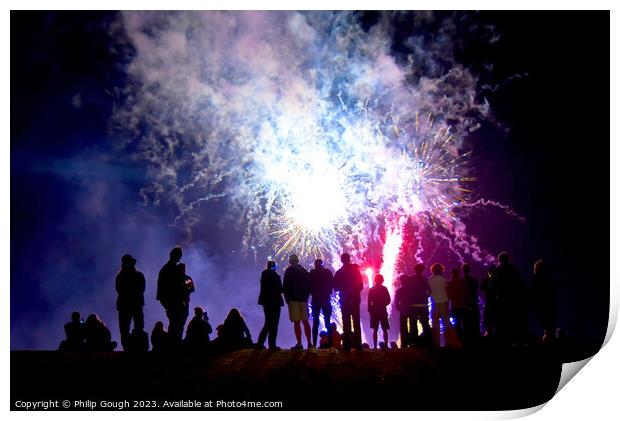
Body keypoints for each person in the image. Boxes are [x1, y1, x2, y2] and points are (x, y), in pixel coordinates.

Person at [156, 247, 194, 350]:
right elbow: (180, 287)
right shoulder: (172, 270)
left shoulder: (167, 269)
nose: (180, 258)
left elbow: (161, 290)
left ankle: (173, 346)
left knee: (176, 324)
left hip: (175, 302)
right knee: (177, 325)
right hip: (176, 302)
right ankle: (174, 346)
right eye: (179, 255)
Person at [491, 252, 528, 345]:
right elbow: (521, 284)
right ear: (508, 259)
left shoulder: (496, 271)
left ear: (499, 260)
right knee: (515, 324)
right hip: (514, 300)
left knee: (503, 325)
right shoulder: (514, 269)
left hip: (501, 300)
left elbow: (492, 287)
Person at [115, 254, 146, 351]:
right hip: (135, 304)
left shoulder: (120, 276)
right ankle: (136, 349)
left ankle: (129, 349)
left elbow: (119, 290)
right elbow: (142, 289)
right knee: (136, 327)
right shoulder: (138, 275)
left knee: (125, 329)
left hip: (126, 305)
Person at [333, 253, 363, 351]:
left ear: (342, 260)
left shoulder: (339, 272)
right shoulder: (356, 270)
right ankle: (358, 345)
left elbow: (336, 288)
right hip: (354, 299)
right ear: (349, 259)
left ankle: (347, 345)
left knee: (346, 323)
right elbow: (361, 286)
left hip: (344, 300)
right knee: (356, 322)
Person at [283, 254, 312, 350]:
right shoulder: (304, 271)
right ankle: (309, 343)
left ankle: (299, 343)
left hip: (293, 301)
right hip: (303, 300)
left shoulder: (289, 271)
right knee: (305, 322)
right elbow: (309, 286)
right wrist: (306, 297)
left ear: (290, 262)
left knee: (296, 322)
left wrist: (288, 300)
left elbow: (285, 287)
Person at [428, 264, 460, 348]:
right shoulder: (444, 280)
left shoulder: (430, 280)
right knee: (447, 324)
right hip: (444, 303)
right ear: (442, 270)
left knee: (435, 325)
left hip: (434, 303)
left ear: (432, 270)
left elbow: (428, 292)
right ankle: (450, 343)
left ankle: (436, 344)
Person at [256, 261, 284, 351]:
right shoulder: (275, 276)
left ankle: (260, 343)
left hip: (266, 302)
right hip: (275, 302)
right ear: (275, 267)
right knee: (274, 324)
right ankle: (272, 345)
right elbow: (280, 289)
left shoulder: (264, 274)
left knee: (268, 323)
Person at [529, 260, 556, 343]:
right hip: (548, 306)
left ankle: (545, 341)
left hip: (539, 306)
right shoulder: (548, 279)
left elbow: (530, 292)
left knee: (544, 325)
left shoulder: (534, 279)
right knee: (549, 327)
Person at [309, 258, 334, 348]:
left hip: (315, 299)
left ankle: (314, 345)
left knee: (315, 323)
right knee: (327, 322)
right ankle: (331, 346)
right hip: (325, 298)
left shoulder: (311, 273)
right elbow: (332, 284)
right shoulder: (327, 272)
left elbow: (309, 286)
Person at [408, 263, 432, 346]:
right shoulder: (425, 279)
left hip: (413, 305)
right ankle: (428, 341)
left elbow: (407, 292)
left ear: (415, 270)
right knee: (425, 323)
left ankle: (414, 342)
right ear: (423, 270)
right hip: (423, 304)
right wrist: (426, 298)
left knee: (413, 324)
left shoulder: (410, 279)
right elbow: (430, 291)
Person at [447, 267, 471, 345]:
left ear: (451, 274)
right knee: (465, 324)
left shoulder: (449, 283)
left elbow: (448, 296)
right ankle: (466, 340)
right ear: (458, 273)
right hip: (464, 305)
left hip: (455, 306)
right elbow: (467, 294)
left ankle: (459, 341)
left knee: (457, 324)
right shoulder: (463, 282)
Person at [368, 274, 391, 349]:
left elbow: (369, 301)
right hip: (382, 310)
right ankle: (386, 345)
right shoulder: (384, 289)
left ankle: (375, 346)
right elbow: (388, 300)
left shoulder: (372, 289)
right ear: (382, 280)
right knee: (384, 328)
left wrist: (370, 310)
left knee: (375, 329)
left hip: (374, 311)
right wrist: (383, 304)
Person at [462, 263, 481, 342]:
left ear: (463, 270)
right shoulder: (474, 280)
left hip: (464, 302)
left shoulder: (461, 281)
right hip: (473, 301)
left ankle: (466, 337)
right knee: (475, 319)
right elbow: (476, 289)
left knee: (465, 320)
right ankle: (476, 336)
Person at [394, 275, 413, 347]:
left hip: (403, 310)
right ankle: (412, 342)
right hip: (411, 309)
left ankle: (404, 343)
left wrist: (398, 307)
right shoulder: (411, 290)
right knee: (412, 326)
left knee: (403, 327)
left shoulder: (399, 291)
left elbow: (396, 301)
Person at [480, 265, 496, 337]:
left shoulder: (487, 279)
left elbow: (482, 288)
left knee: (488, 319)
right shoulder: (499, 279)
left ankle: (490, 333)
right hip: (497, 302)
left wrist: (487, 278)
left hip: (490, 302)